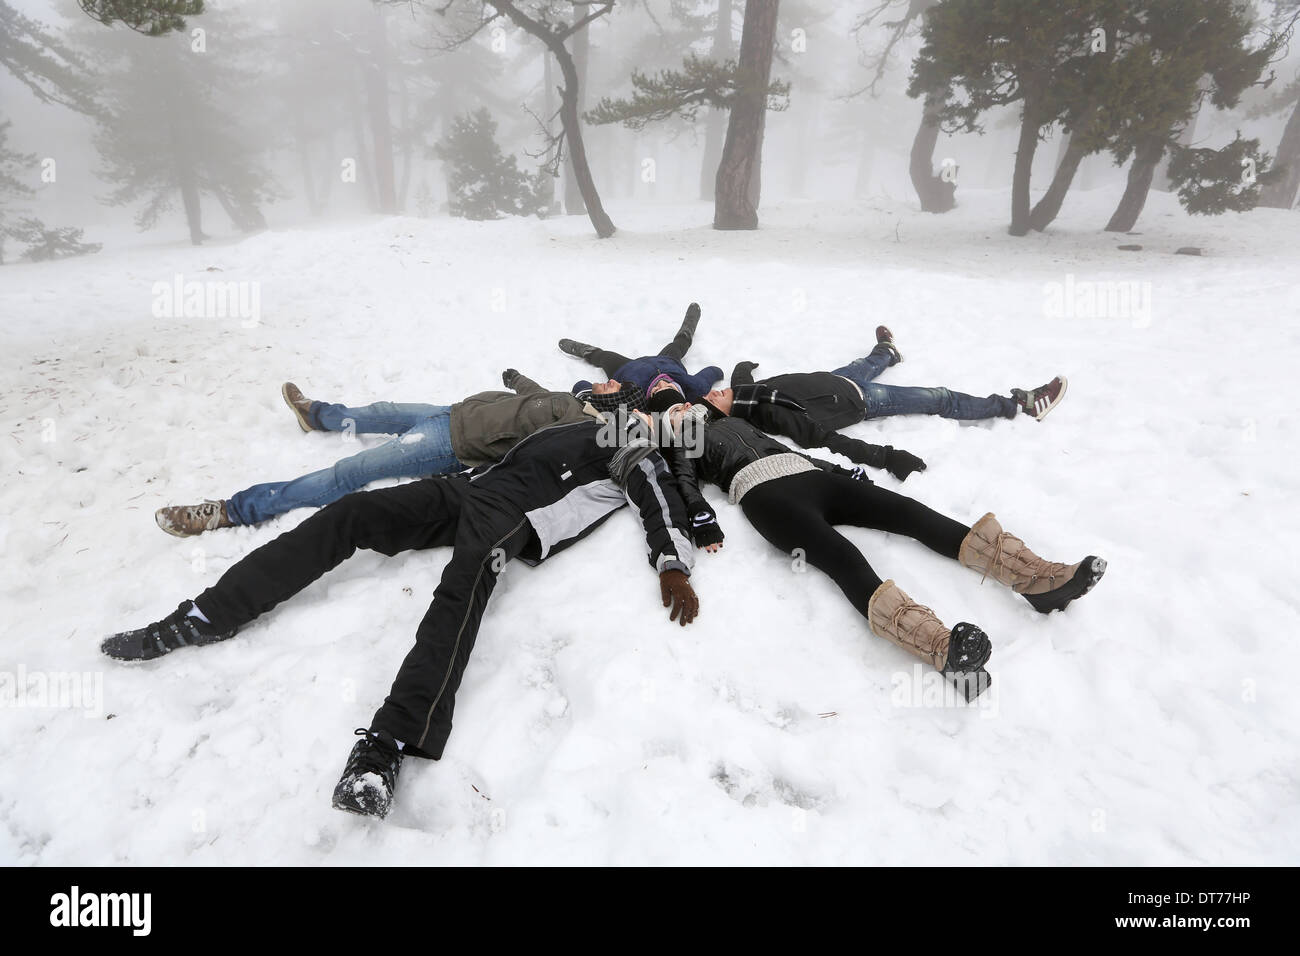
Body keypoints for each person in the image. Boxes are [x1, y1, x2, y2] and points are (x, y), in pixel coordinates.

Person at [103, 394, 710, 819]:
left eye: (683, 423)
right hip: (467, 489)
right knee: (350, 514)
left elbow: (660, 503)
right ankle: (208, 616)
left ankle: (387, 745)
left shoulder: (640, 452)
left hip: (512, 519)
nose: (672, 421)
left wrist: (674, 564)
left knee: (460, 591)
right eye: (672, 412)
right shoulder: (589, 422)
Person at [648, 390, 1106, 700]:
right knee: (843, 558)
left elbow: (797, 450)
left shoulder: (737, 420)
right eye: (672, 413)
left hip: (810, 477)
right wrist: (702, 518)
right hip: (766, 496)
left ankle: (1035, 579)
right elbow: (685, 480)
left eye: (684, 404)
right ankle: (944, 651)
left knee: (910, 513)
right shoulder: (684, 443)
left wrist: (836, 470)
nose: (683, 411)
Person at [154, 372, 644, 536]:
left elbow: (529, 455)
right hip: (453, 411)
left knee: (354, 470)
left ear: (614, 403)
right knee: (381, 410)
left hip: (450, 444)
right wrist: (515, 380)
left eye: (612, 385)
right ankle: (317, 414)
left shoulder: (580, 427)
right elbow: (531, 399)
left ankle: (232, 510)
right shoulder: (574, 401)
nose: (604, 380)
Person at [704, 329, 1068, 460]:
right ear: (729, 412)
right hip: (860, 400)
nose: (716, 392)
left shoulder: (745, 392)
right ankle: (1018, 404)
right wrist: (880, 457)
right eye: (714, 398)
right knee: (938, 397)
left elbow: (735, 381)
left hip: (836, 380)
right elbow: (815, 436)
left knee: (863, 363)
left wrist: (743, 369)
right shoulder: (765, 413)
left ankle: (887, 352)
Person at [559, 302, 724, 401]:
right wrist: (717, 372)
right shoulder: (693, 387)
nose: (661, 383)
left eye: (656, 390)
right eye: (669, 387)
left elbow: (586, 390)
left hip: (626, 368)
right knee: (678, 345)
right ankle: (687, 328)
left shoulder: (633, 397)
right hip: (667, 361)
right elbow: (708, 376)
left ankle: (587, 351)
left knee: (605, 357)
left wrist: (585, 389)